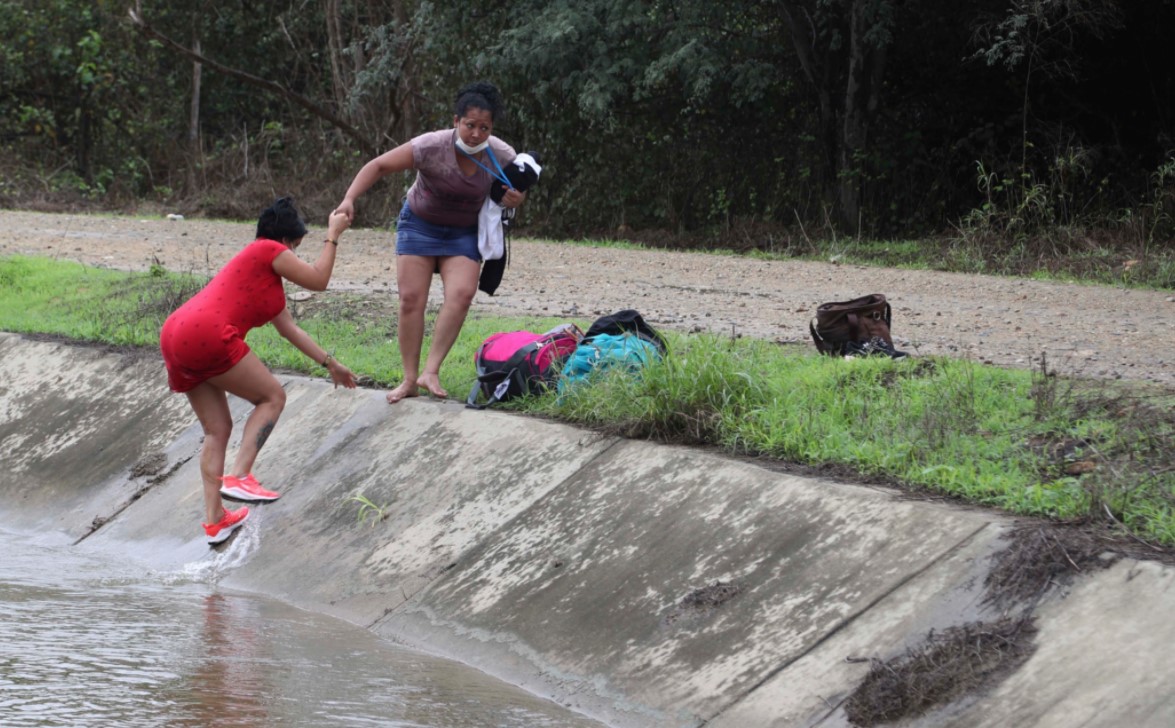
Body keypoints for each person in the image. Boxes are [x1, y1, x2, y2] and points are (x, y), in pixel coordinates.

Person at [160, 198, 358, 544]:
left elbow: (291, 331)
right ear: (288, 241)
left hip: (176, 334)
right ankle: (240, 476)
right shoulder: (268, 248)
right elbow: (318, 280)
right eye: (296, 248)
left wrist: (332, 365)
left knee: (216, 429)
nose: (294, 256)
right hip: (207, 332)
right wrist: (333, 235)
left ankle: (215, 520)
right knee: (272, 397)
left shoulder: (266, 283)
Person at [334, 80, 527, 404]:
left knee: (462, 294)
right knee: (411, 299)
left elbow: (516, 192)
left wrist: (516, 199)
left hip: (464, 231)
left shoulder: (503, 155)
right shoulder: (430, 146)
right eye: (469, 125)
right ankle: (409, 378)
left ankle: (431, 371)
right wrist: (349, 199)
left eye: (484, 127)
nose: (476, 134)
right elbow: (378, 165)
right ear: (455, 121)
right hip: (419, 224)